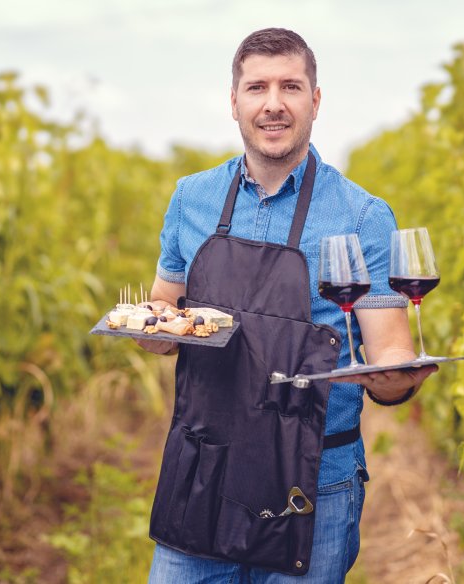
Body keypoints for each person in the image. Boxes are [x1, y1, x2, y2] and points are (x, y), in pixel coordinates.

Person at [137, 27, 437, 583]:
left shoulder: (363, 215)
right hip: (206, 465)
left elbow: (390, 353)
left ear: (315, 101)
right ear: (234, 102)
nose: (273, 104)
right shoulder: (191, 199)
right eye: (257, 88)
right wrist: (150, 330)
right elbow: (163, 310)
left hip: (314, 480)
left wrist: (395, 377)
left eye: (291, 87)